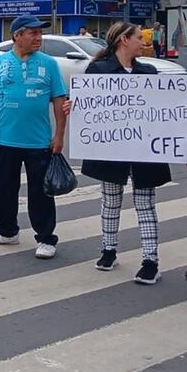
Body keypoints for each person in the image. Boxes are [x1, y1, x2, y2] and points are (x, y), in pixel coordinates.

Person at [68, 22, 172, 285]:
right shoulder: (98, 70)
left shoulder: (148, 71)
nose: (143, 41)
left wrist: (183, 105)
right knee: (111, 199)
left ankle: (150, 261)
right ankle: (108, 250)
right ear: (124, 40)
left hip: (142, 148)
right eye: (138, 37)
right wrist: (75, 106)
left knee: (145, 201)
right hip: (112, 147)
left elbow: (162, 107)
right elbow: (88, 106)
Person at [0, 16, 68, 259]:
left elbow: (60, 100)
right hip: (6, 141)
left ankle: (46, 238)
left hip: (39, 141)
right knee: (4, 189)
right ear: (17, 35)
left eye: (40, 33)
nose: (38, 38)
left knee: (41, 193)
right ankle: (7, 230)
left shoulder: (49, 64)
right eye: (33, 33)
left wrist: (59, 135)